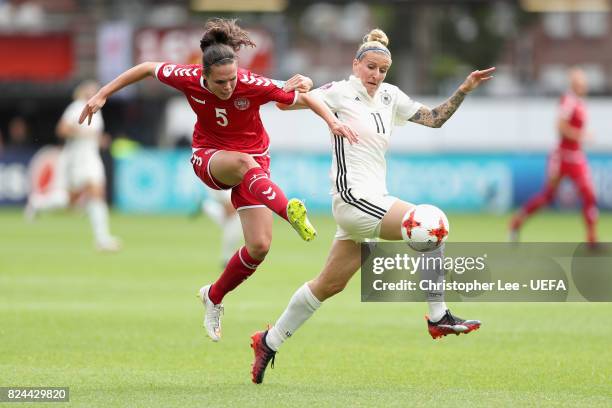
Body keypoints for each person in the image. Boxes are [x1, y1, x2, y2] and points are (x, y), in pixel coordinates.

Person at [79, 18, 358, 342]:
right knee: (243, 162)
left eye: (232, 79)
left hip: (253, 168)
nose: (229, 87)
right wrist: (102, 94)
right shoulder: (187, 77)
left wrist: (330, 120)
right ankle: (290, 213)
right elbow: (145, 67)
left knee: (259, 247)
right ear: (205, 75)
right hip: (211, 157)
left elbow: (302, 95)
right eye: (221, 81)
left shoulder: (250, 82)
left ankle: (213, 295)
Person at [250, 28, 495, 384]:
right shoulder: (338, 91)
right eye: (370, 67)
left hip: (373, 202)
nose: (376, 75)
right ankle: (438, 315)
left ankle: (268, 342)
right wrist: (292, 85)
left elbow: (435, 118)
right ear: (356, 64)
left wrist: (464, 89)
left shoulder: (390, 97)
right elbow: (284, 104)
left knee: (327, 285)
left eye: (382, 69)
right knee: (429, 224)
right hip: (351, 200)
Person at [25, 81, 121, 252]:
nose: (94, 90)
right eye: (91, 88)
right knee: (89, 194)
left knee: (80, 198)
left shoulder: (97, 109)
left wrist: (100, 140)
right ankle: (102, 238)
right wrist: (83, 133)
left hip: (91, 157)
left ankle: (38, 203)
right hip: (77, 159)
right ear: (83, 91)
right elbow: (61, 129)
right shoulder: (76, 107)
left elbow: (93, 134)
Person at [509, 68, 597, 245]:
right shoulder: (569, 101)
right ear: (574, 84)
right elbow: (560, 127)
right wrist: (582, 136)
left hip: (576, 156)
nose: (584, 86)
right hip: (562, 156)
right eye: (580, 83)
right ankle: (516, 222)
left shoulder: (580, 103)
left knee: (589, 195)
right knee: (548, 196)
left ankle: (591, 240)